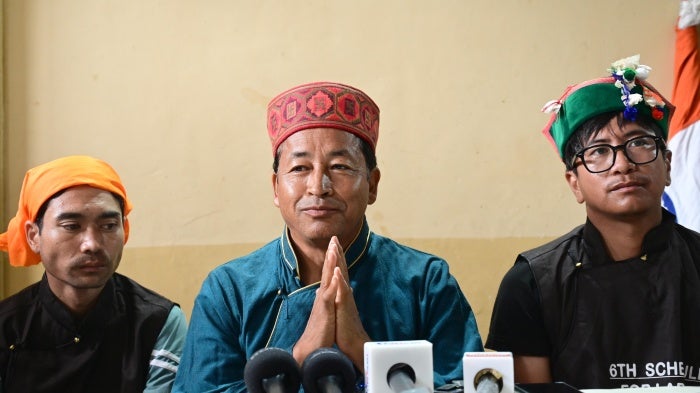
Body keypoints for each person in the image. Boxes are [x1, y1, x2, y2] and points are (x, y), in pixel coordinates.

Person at [173, 81, 483, 392]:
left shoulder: (426, 282)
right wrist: (299, 357)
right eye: (299, 168)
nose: (318, 186)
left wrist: (363, 350)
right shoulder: (230, 291)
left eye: (340, 166)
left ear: (372, 185)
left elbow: (468, 386)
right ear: (275, 188)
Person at [486, 55, 700, 389]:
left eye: (640, 143)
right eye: (599, 151)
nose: (623, 164)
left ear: (668, 165)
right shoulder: (531, 284)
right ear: (574, 182)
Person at [0, 155, 188, 393]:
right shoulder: (6, 327)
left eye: (108, 226)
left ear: (125, 229)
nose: (92, 244)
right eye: (71, 226)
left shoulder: (158, 323)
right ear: (33, 236)